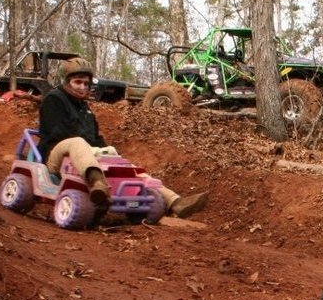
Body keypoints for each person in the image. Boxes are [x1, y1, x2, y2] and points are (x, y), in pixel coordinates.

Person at [37, 57, 209, 218]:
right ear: (66, 82)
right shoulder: (54, 99)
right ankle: (98, 184)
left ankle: (174, 201)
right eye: (78, 82)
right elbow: (57, 134)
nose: (83, 87)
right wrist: (91, 148)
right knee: (78, 142)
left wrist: (109, 156)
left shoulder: (85, 109)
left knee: (120, 163)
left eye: (86, 83)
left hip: (83, 157)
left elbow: (96, 138)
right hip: (56, 156)